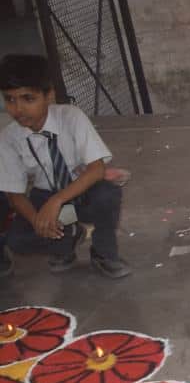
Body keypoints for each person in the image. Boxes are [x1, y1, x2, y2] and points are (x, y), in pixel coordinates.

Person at [0, 53, 132, 278]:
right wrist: (38, 221)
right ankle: (68, 236)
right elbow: (15, 194)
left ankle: (103, 252)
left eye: (28, 98)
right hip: (45, 196)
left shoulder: (71, 117)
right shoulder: (8, 137)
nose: (18, 109)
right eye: (10, 99)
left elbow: (97, 169)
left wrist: (57, 200)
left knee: (108, 194)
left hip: (80, 191)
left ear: (48, 95)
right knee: (17, 240)